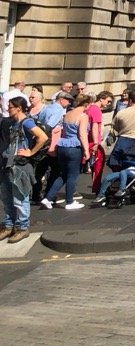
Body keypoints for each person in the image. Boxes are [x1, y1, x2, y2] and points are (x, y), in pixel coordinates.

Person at [0, 96, 48, 243]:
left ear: (18, 108)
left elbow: (43, 137)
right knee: (7, 197)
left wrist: (31, 152)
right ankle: (9, 225)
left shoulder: (26, 122)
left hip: (19, 166)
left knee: (20, 197)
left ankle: (22, 227)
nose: (8, 109)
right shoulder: (13, 123)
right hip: (9, 164)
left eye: (11, 106)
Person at [41, 93, 90, 210]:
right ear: (86, 104)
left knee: (63, 174)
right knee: (73, 175)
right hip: (74, 147)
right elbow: (82, 135)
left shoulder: (67, 113)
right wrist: (87, 151)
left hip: (63, 145)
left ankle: (48, 198)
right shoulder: (83, 116)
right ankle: (69, 201)